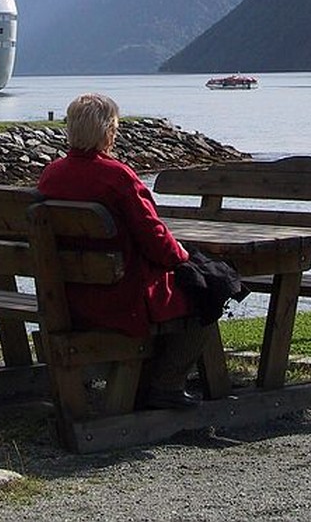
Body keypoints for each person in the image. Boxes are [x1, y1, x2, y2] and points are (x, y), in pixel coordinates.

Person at [37, 92, 209, 409]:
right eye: (114, 128)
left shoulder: (52, 174)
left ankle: (147, 379)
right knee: (206, 289)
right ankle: (166, 384)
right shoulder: (117, 176)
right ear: (107, 132)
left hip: (69, 297)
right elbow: (154, 237)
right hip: (121, 298)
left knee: (195, 281)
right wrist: (183, 258)